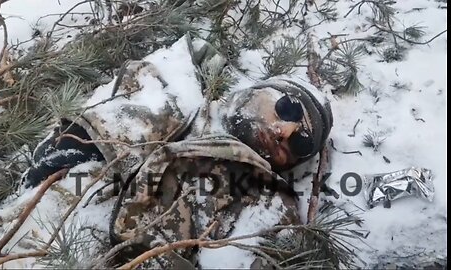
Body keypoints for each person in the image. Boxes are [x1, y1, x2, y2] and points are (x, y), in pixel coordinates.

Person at [22, 35, 333, 268]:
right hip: (33, 227)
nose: (286, 132)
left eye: (302, 144)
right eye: (288, 109)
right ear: (260, 89)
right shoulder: (169, 92)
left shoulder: (269, 203)